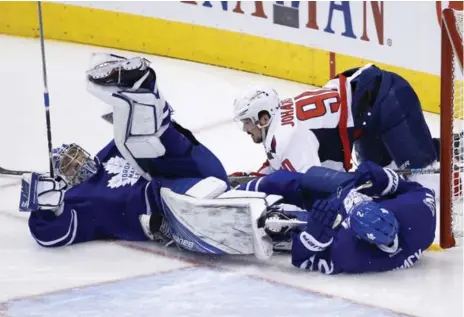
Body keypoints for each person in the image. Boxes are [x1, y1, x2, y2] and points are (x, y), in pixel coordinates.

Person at [19, 53, 276, 259]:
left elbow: (148, 148)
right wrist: (47, 208)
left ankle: (143, 91)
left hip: (194, 166)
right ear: (66, 180)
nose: (76, 163)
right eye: (69, 166)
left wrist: (124, 119)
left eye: (75, 155)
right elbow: (49, 234)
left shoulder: (108, 152)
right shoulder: (78, 198)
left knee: (144, 141)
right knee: (166, 186)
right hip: (168, 206)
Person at [231, 64, 446, 194]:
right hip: (365, 118)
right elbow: (289, 172)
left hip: (389, 100)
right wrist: (250, 181)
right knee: (382, 181)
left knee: (427, 183)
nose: (244, 129)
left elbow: (312, 184)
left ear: (263, 117)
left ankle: (453, 156)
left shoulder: (286, 135)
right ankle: (441, 149)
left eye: (247, 122)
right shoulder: (280, 123)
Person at [245, 160, 437, 273]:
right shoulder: (419, 213)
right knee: (292, 180)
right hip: (353, 188)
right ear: (388, 212)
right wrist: (383, 179)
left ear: (361, 237)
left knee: (282, 224)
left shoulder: (354, 255)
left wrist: (314, 237)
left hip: (334, 221)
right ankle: (242, 189)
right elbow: (415, 188)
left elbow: (302, 260)